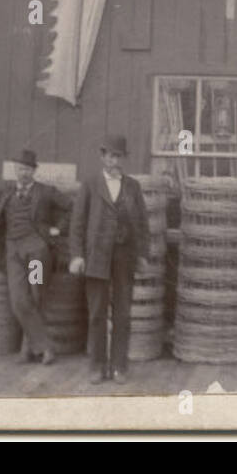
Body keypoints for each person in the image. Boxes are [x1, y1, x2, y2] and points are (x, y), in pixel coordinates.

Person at [0, 149, 72, 364]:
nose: (23, 173)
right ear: (15, 170)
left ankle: (28, 350)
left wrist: (58, 229)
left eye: (27, 169)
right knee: (18, 301)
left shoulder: (45, 192)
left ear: (34, 171)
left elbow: (71, 207)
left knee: (36, 297)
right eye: (19, 168)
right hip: (13, 252)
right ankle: (44, 346)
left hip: (36, 252)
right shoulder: (7, 191)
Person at [69, 135, 151, 384]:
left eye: (118, 156)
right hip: (96, 257)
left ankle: (119, 366)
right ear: (102, 156)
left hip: (124, 257)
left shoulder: (132, 186)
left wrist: (143, 255)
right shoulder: (91, 184)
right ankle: (97, 366)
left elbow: (142, 224)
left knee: (123, 314)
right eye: (110, 156)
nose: (114, 161)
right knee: (96, 314)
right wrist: (77, 255)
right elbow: (78, 223)